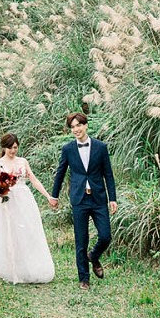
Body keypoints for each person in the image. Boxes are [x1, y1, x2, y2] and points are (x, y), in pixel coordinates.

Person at [0, 133, 57, 284]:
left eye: (15, 147)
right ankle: (8, 265)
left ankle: (29, 265)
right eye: (9, 148)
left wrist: (48, 196)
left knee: (27, 231)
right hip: (6, 201)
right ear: (4, 147)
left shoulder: (23, 161)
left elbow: (33, 180)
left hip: (24, 199)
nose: (13, 151)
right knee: (7, 231)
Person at [51, 111, 117, 289]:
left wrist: (113, 198)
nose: (76, 129)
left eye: (79, 125)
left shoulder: (101, 147)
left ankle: (94, 256)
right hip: (79, 199)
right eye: (72, 127)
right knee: (81, 239)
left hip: (98, 198)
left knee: (105, 235)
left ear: (86, 125)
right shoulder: (68, 149)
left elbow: (108, 174)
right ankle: (84, 279)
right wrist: (54, 196)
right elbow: (60, 173)